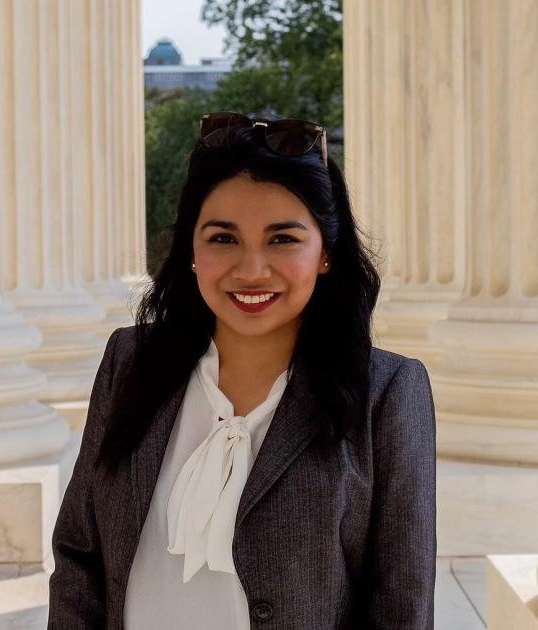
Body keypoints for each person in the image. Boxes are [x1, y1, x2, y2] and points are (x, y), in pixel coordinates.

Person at [47, 112, 436, 629]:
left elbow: (401, 608)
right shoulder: (131, 361)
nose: (251, 269)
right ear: (191, 250)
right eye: (223, 238)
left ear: (326, 254)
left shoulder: (387, 393)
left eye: (283, 239)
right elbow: (79, 555)